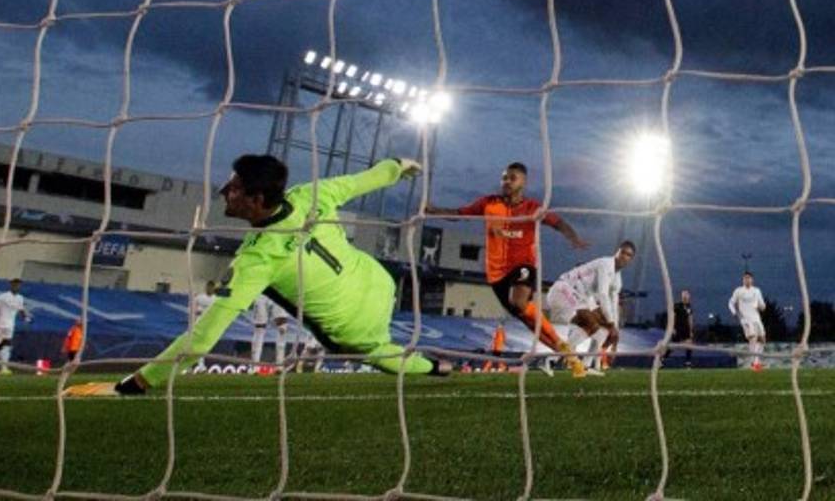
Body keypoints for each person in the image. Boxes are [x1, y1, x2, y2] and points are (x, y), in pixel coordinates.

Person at [65, 155, 450, 396]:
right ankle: (439, 365)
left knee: (381, 355)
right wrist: (399, 166)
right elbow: (368, 178)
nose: (224, 192)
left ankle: (438, 367)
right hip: (380, 281)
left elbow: (203, 338)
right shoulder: (310, 195)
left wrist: (131, 385)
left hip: (356, 327)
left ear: (257, 200)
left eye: (234, 189)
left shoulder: (256, 259)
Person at [425, 162, 589, 376]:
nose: (507, 182)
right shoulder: (488, 203)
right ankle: (566, 352)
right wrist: (434, 210)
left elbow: (558, 223)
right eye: (504, 178)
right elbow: (460, 214)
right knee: (525, 317)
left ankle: (561, 346)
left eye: (512, 178)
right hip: (496, 274)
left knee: (519, 302)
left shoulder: (533, 208)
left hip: (523, 265)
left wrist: (574, 238)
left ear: (523, 182)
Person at [546, 241, 636, 377]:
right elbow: (603, 294)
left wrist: (615, 328)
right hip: (563, 291)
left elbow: (613, 303)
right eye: (622, 252)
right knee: (592, 323)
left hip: (580, 298)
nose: (624, 256)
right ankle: (551, 360)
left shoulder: (617, 279)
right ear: (617, 252)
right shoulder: (605, 264)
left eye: (628, 255)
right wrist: (611, 323)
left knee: (602, 332)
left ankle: (579, 365)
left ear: (631, 259)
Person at [0, 278, 31, 374]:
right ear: (11, 285)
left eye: (19, 285)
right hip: (1, 324)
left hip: (10, 325)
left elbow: (21, 309)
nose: (17, 286)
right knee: (2, 344)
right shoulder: (2, 297)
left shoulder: (20, 298)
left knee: (4, 345)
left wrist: (26, 317)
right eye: (15, 284)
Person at [728, 272, 767, 371]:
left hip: (756, 318)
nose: (747, 280)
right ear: (743, 280)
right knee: (753, 338)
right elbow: (731, 303)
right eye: (745, 278)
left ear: (752, 280)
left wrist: (762, 307)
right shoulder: (739, 291)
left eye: (749, 278)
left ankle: (756, 362)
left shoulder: (757, 291)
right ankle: (754, 363)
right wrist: (734, 313)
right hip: (746, 319)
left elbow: (762, 305)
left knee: (762, 339)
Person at [250, 294, 289, 367]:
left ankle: (279, 364)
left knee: (282, 329)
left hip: (278, 293)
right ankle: (254, 365)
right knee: (259, 329)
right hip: (261, 295)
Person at [671, 289, 695, 367]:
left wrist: (691, 330)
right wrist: (673, 328)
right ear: (681, 296)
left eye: (686, 294)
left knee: (689, 344)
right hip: (678, 328)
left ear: (689, 296)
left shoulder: (689, 307)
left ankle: (688, 362)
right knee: (672, 346)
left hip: (686, 329)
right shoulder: (677, 305)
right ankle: (662, 359)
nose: (685, 296)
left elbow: (690, 319)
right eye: (684, 294)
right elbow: (673, 317)